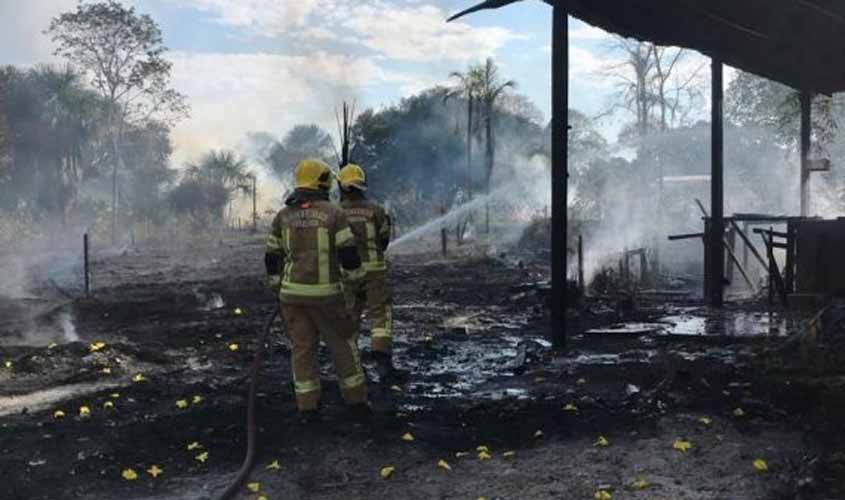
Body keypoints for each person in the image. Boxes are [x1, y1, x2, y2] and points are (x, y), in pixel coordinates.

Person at [265, 159, 368, 421]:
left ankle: (307, 406)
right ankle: (356, 402)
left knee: (302, 349)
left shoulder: (283, 216)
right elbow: (348, 255)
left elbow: (271, 257)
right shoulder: (334, 214)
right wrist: (357, 283)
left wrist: (278, 287)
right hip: (327, 297)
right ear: (323, 181)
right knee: (343, 344)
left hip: (291, 297)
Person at [336, 163, 399, 380]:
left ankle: (352, 366)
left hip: (346, 274)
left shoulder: (336, 213)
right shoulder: (376, 210)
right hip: (374, 272)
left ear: (342, 187)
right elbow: (383, 241)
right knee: (380, 315)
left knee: (350, 317)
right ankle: (382, 359)